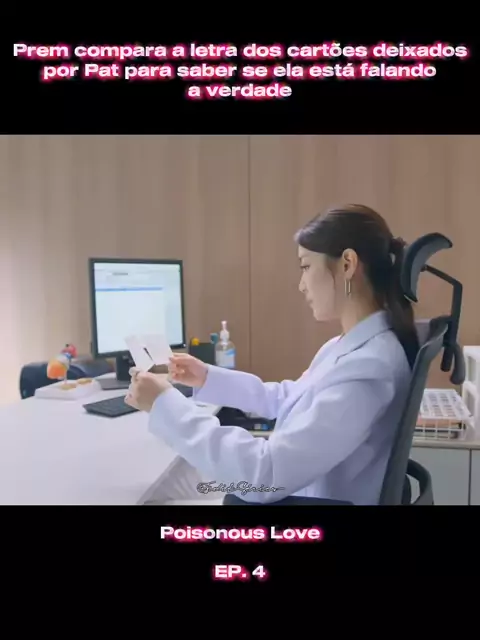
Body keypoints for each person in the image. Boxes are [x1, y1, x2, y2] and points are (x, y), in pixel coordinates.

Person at [126, 204, 419, 505]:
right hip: (298, 489)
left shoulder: (370, 367)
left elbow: (264, 475)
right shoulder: (349, 347)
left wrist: (164, 405)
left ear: (347, 264)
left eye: (306, 267)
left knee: (149, 497)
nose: (301, 285)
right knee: (167, 486)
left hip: (299, 501)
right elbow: (287, 398)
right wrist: (207, 377)